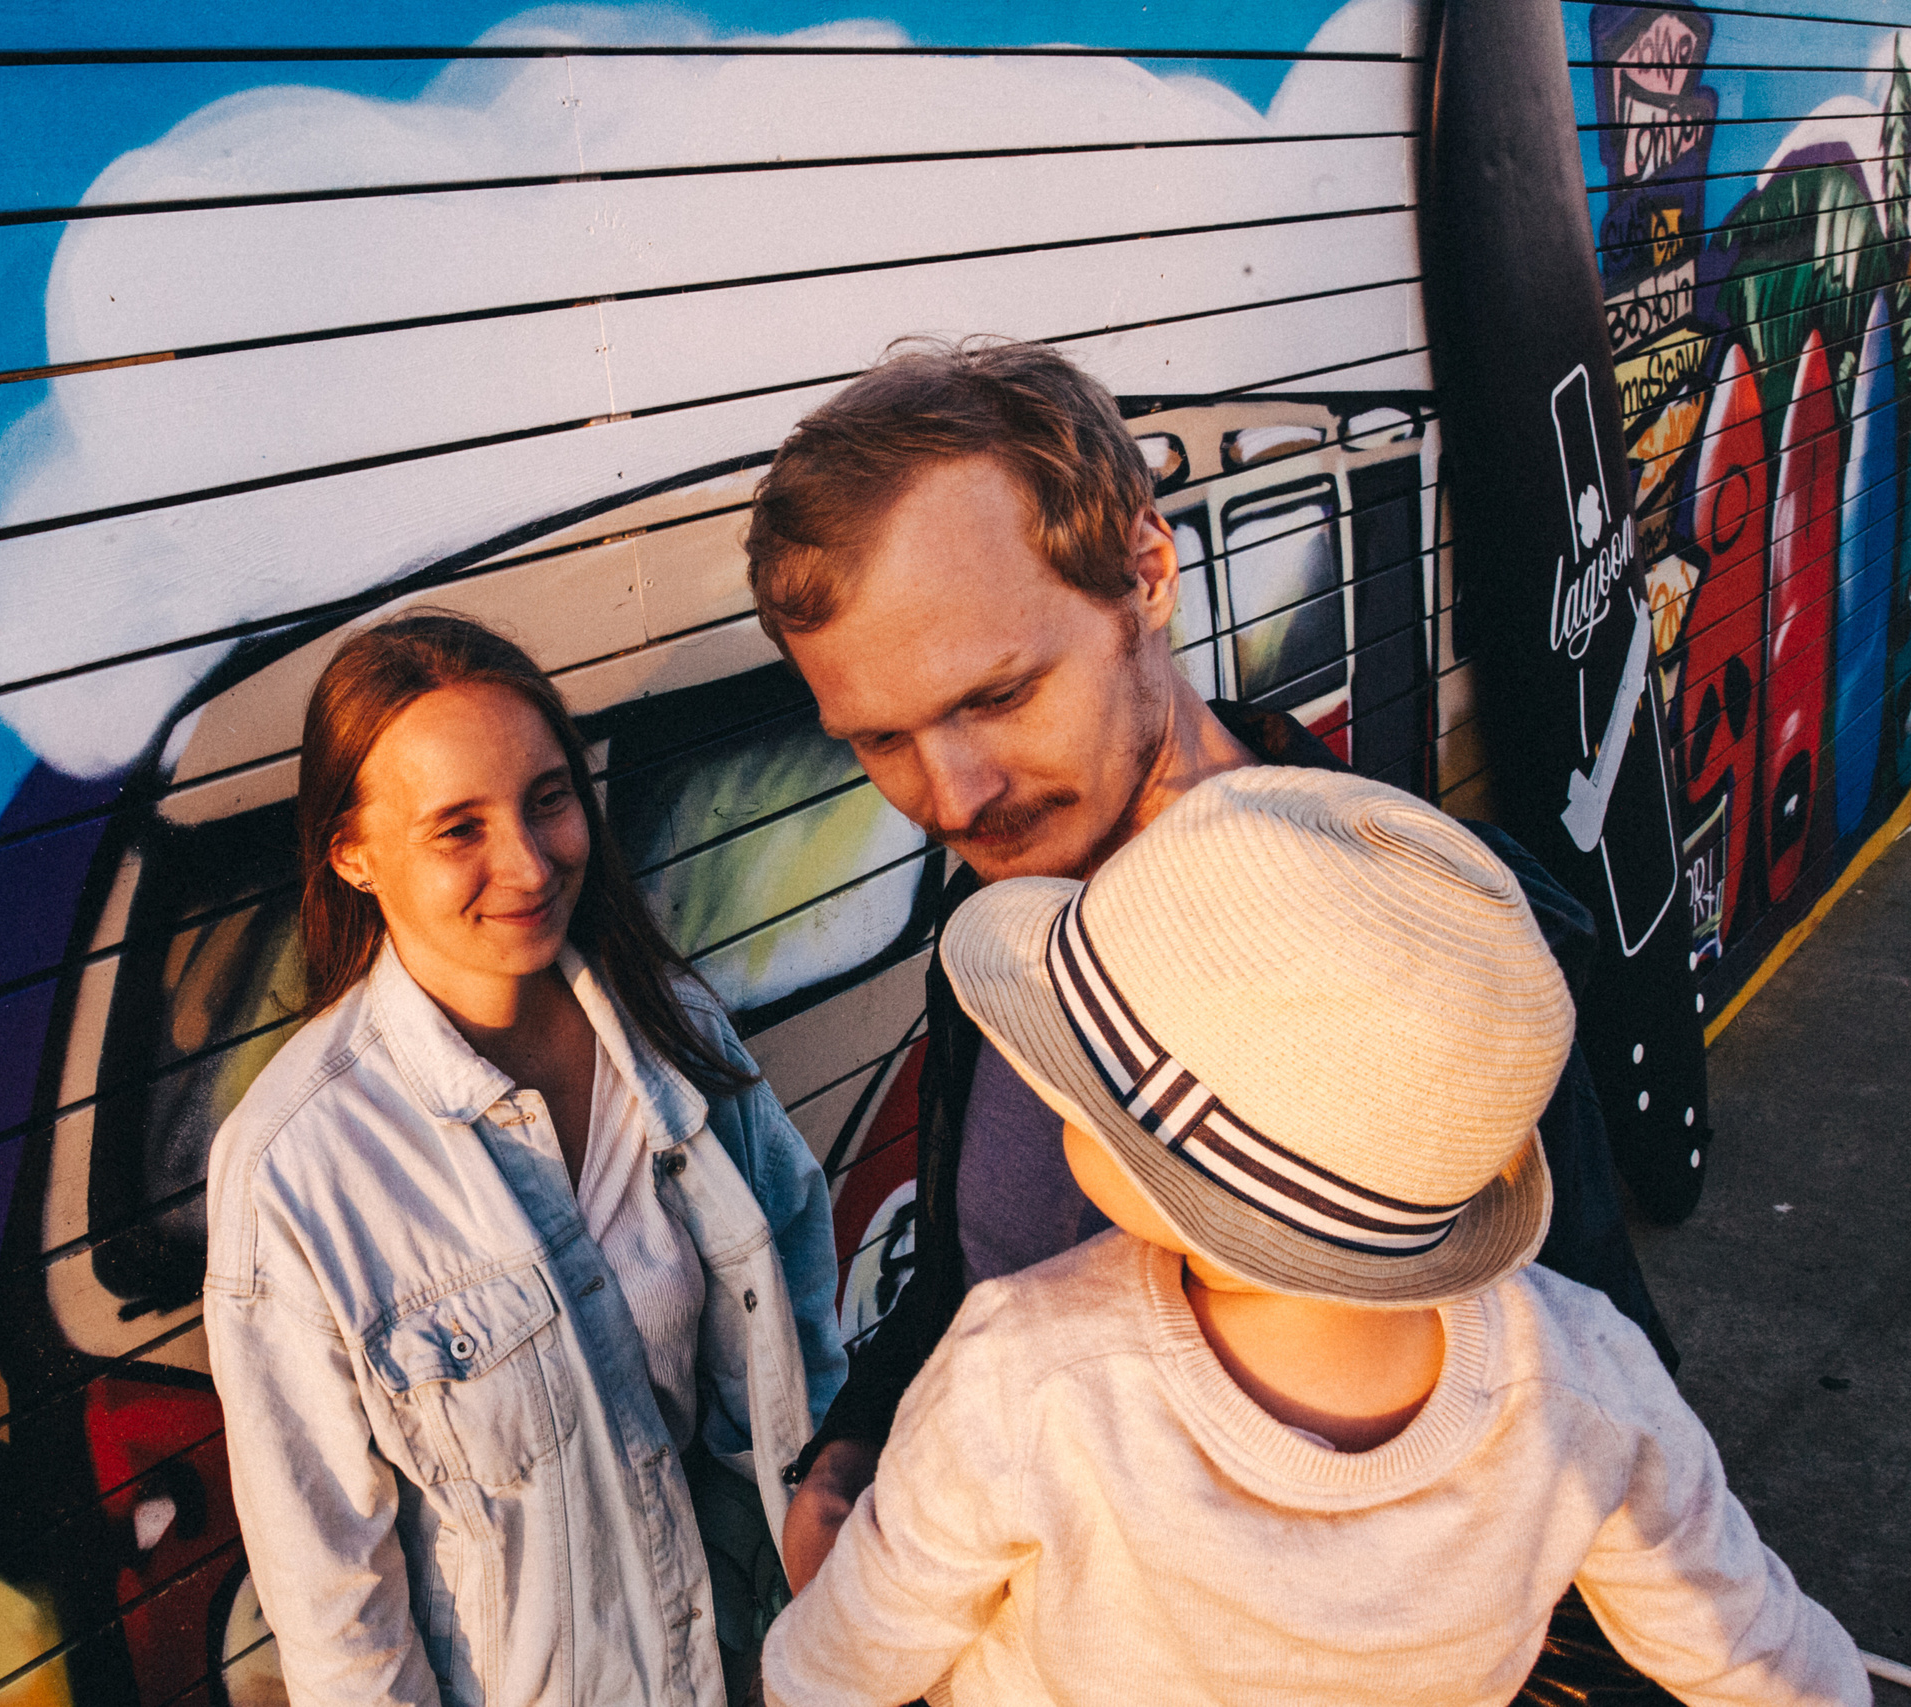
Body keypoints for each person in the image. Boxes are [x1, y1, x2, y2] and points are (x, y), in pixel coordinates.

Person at [746, 335, 1672, 1571]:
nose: (953, 799)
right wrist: (859, 1445)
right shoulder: (1003, 942)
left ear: (1145, 571)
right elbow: (978, 1275)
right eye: (880, 740)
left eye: (998, 697)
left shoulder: (1431, 954)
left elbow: (1605, 1399)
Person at [759, 767, 1867, 1707]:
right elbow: (1759, 1655)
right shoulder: (1581, 1380)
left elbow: (845, 1661)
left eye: (1078, 1085)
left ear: (1177, 1175)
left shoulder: (1029, 1371)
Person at [202, 611, 846, 1707]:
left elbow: (795, 1315)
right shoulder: (297, 1169)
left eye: (547, 799)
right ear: (351, 852)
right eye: (458, 828)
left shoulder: (672, 1033)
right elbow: (336, 1612)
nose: (529, 861)